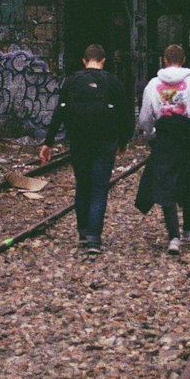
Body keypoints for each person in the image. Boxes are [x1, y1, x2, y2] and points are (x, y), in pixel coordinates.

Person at [39, 44, 132, 254]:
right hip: (105, 141)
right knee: (99, 188)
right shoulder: (113, 82)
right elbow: (126, 115)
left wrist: (48, 142)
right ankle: (94, 239)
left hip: (79, 141)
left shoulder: (71, 82)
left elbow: (59, 113)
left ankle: (82, 233)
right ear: (103, 60)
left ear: (84, 60)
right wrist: (123, 141)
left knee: (82, 185)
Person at [135, 43, 190, 256]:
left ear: (164, 60)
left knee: (166, 187)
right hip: (189, 139)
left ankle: (173, 236)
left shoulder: (153, 85)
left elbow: (145, 117)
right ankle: (188, 230)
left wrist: (149, 135)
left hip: (165, 140)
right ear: (183, 60)